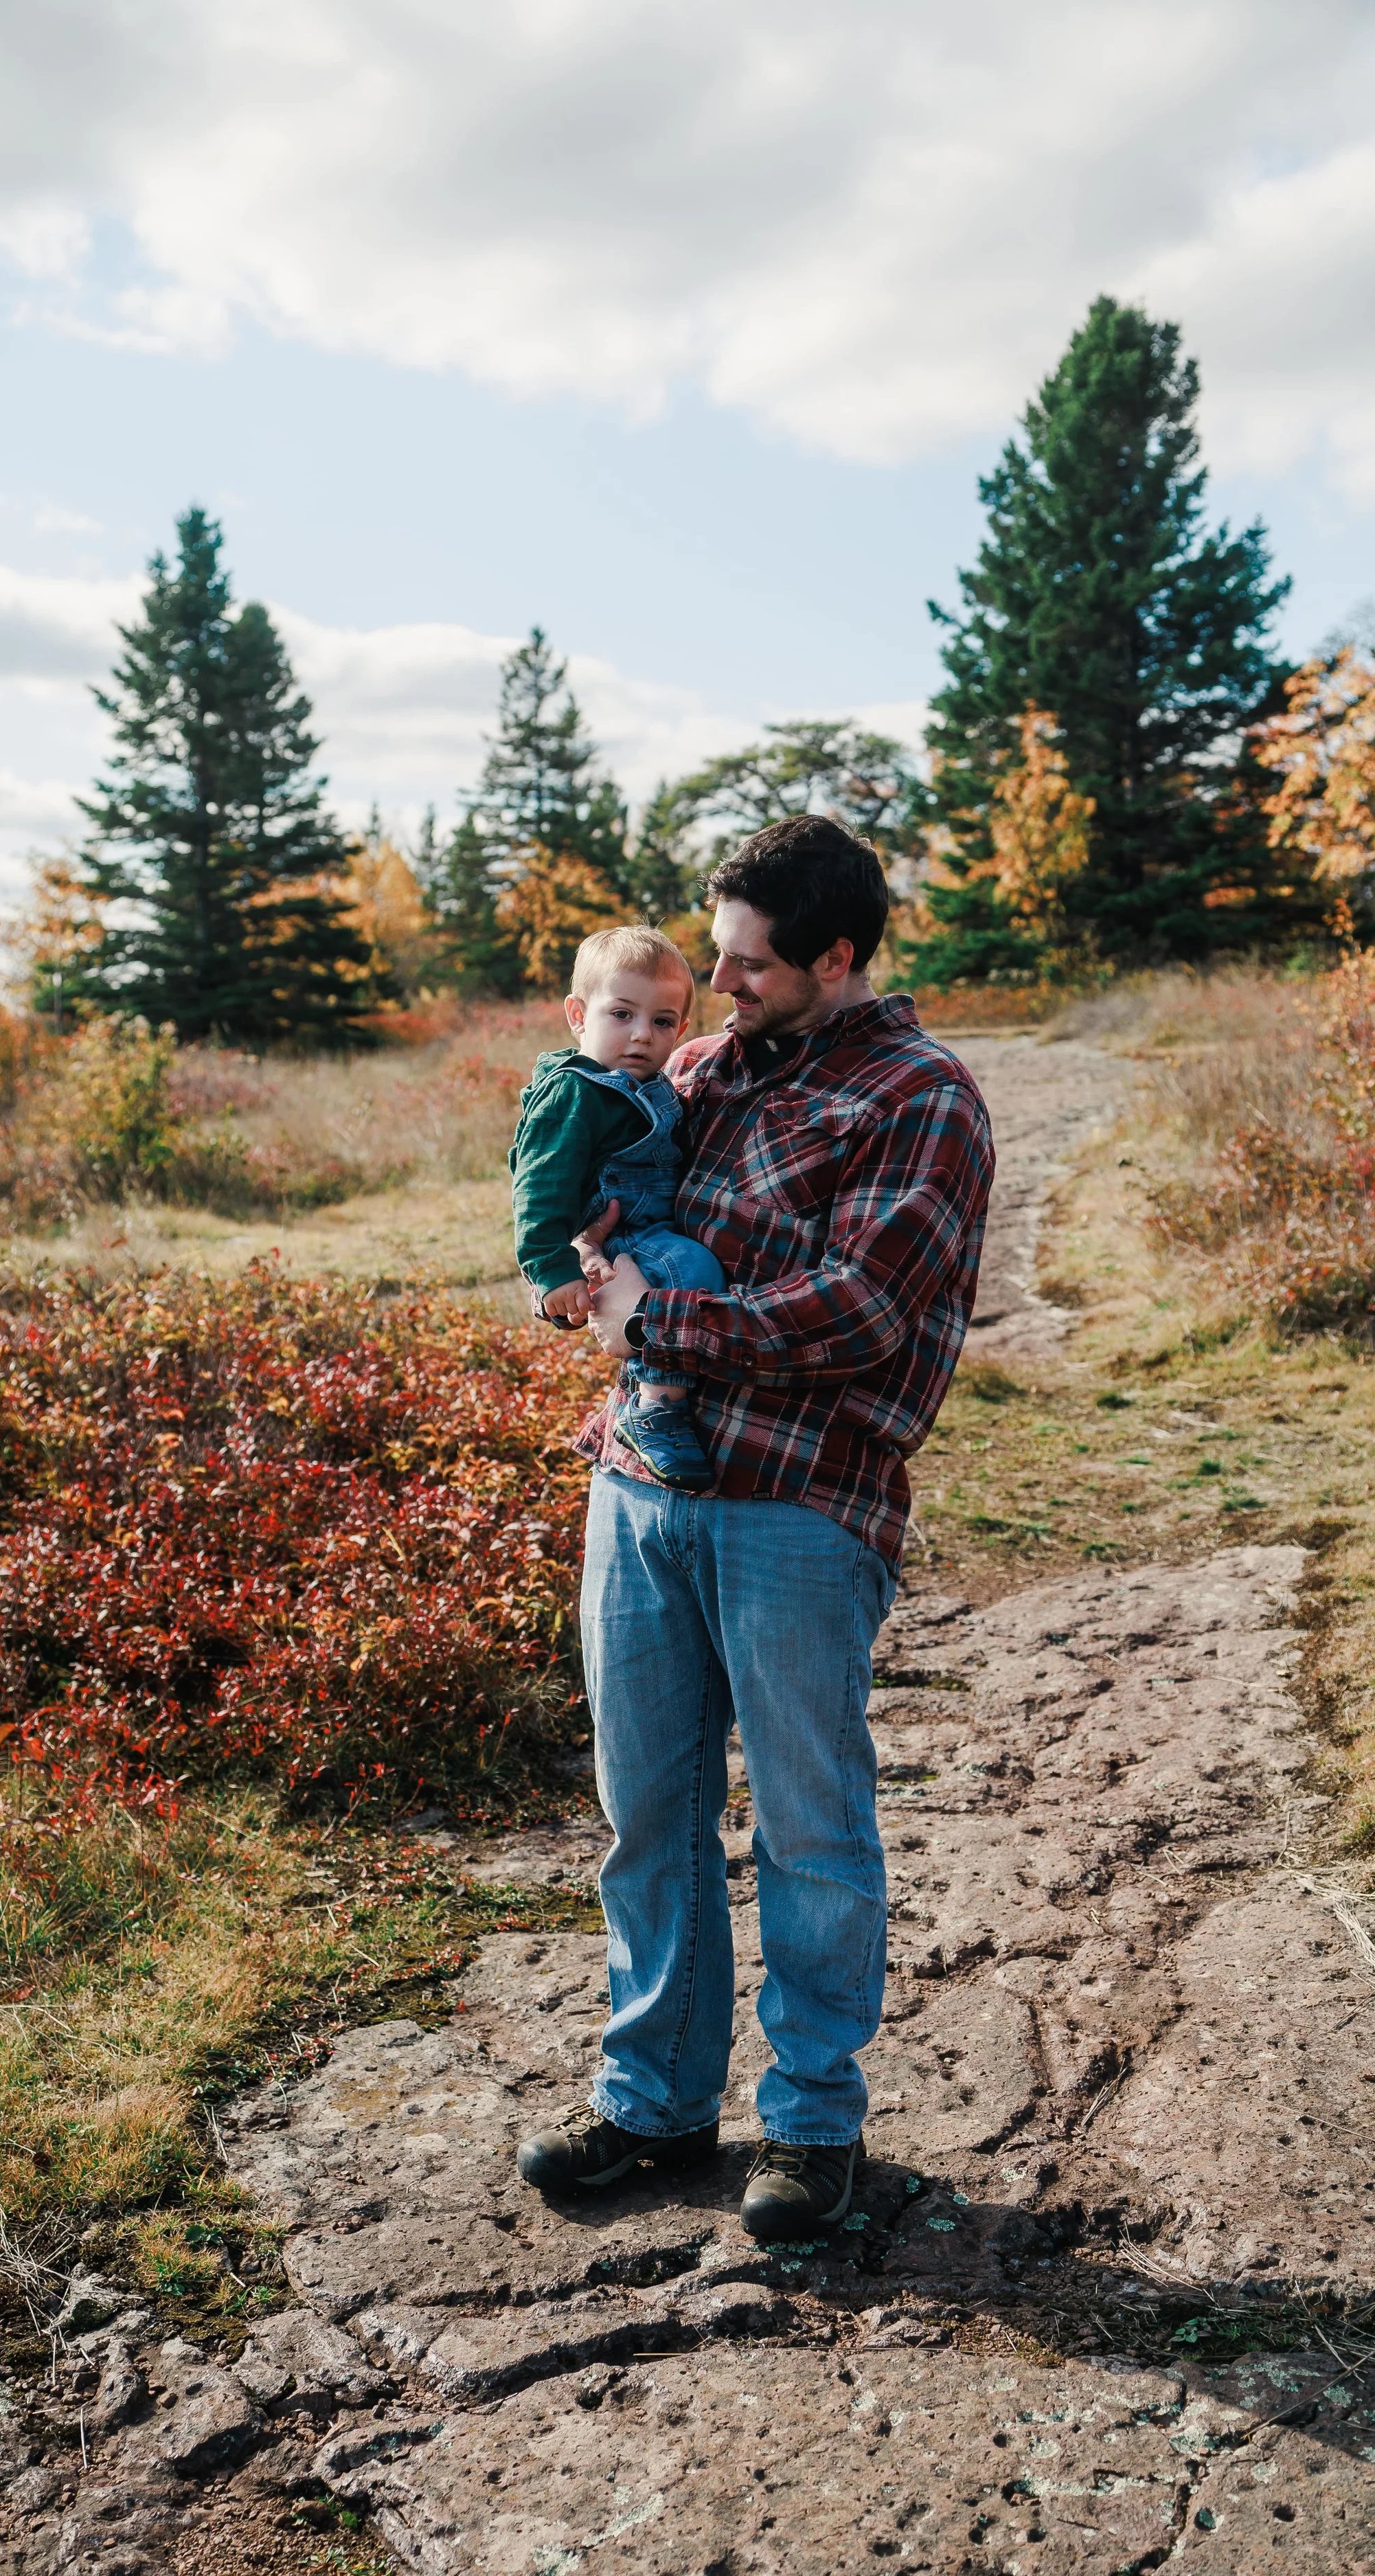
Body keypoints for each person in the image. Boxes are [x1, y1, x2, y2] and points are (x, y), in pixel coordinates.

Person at [515, 813, 995, 2241]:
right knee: (646, 1816)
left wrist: (657, 1312)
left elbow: (857, 1315)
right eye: (712, 960)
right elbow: (590, 1174)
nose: (715, 990)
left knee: (806, 1825)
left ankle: (808, 2125)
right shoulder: (702, 1071)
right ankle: (652, 2104)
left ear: (833, 958)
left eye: (743, 966)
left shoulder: (922, 1102)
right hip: (642, 1488)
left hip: (800, 1507)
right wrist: (566, 1250)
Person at [508, 924, 727, 1490]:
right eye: (621, 1014)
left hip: (644, 1224)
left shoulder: (652, 1084)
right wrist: (551, 1268)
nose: (641, 1036)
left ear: (681, 1029)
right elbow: (539, 1185)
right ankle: (654, 1407)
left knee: (687, 1271)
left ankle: (658, 1396)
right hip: (623, 1229)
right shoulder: (576, 1091)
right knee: (691, 1271)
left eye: (661, 1022)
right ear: (578, 1015)